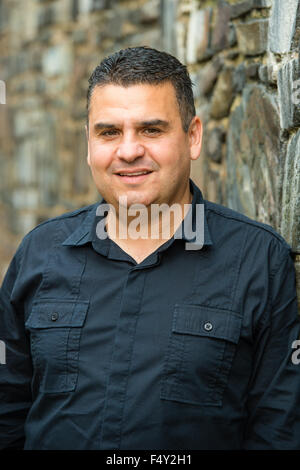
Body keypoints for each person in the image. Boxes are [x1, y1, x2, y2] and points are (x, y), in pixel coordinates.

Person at [0, 46, 300, 451]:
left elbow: (279, 429)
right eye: (109, 132)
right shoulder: (40, 254)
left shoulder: (258, 260)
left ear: (193, 137)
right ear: (88, 144)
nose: (128, 151)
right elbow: (7, 412)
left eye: (151, 130)